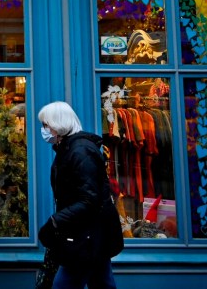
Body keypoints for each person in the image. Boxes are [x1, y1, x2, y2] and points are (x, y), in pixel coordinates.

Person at [37, 101, 123, 289]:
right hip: (90, 235)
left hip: (86, 237)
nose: (44, 130)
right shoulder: (71, 149)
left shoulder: (80, 150)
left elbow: (89, 200)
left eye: (46, 125)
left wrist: (56, 222)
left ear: (58, 125)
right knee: (102, 282)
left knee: (66, 284)